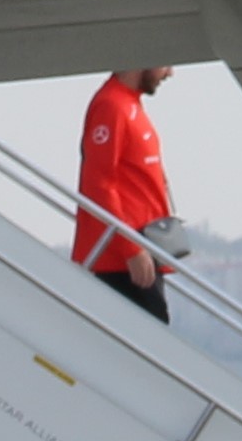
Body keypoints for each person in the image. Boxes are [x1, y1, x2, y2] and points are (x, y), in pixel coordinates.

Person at [74, 66, 181, 323]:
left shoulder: (129, 104)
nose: (170, 73)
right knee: (148, 347)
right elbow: (98, 183)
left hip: (141, 254)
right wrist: (131, 248)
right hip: (121, 262)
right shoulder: (111, 106)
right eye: (165, 63)